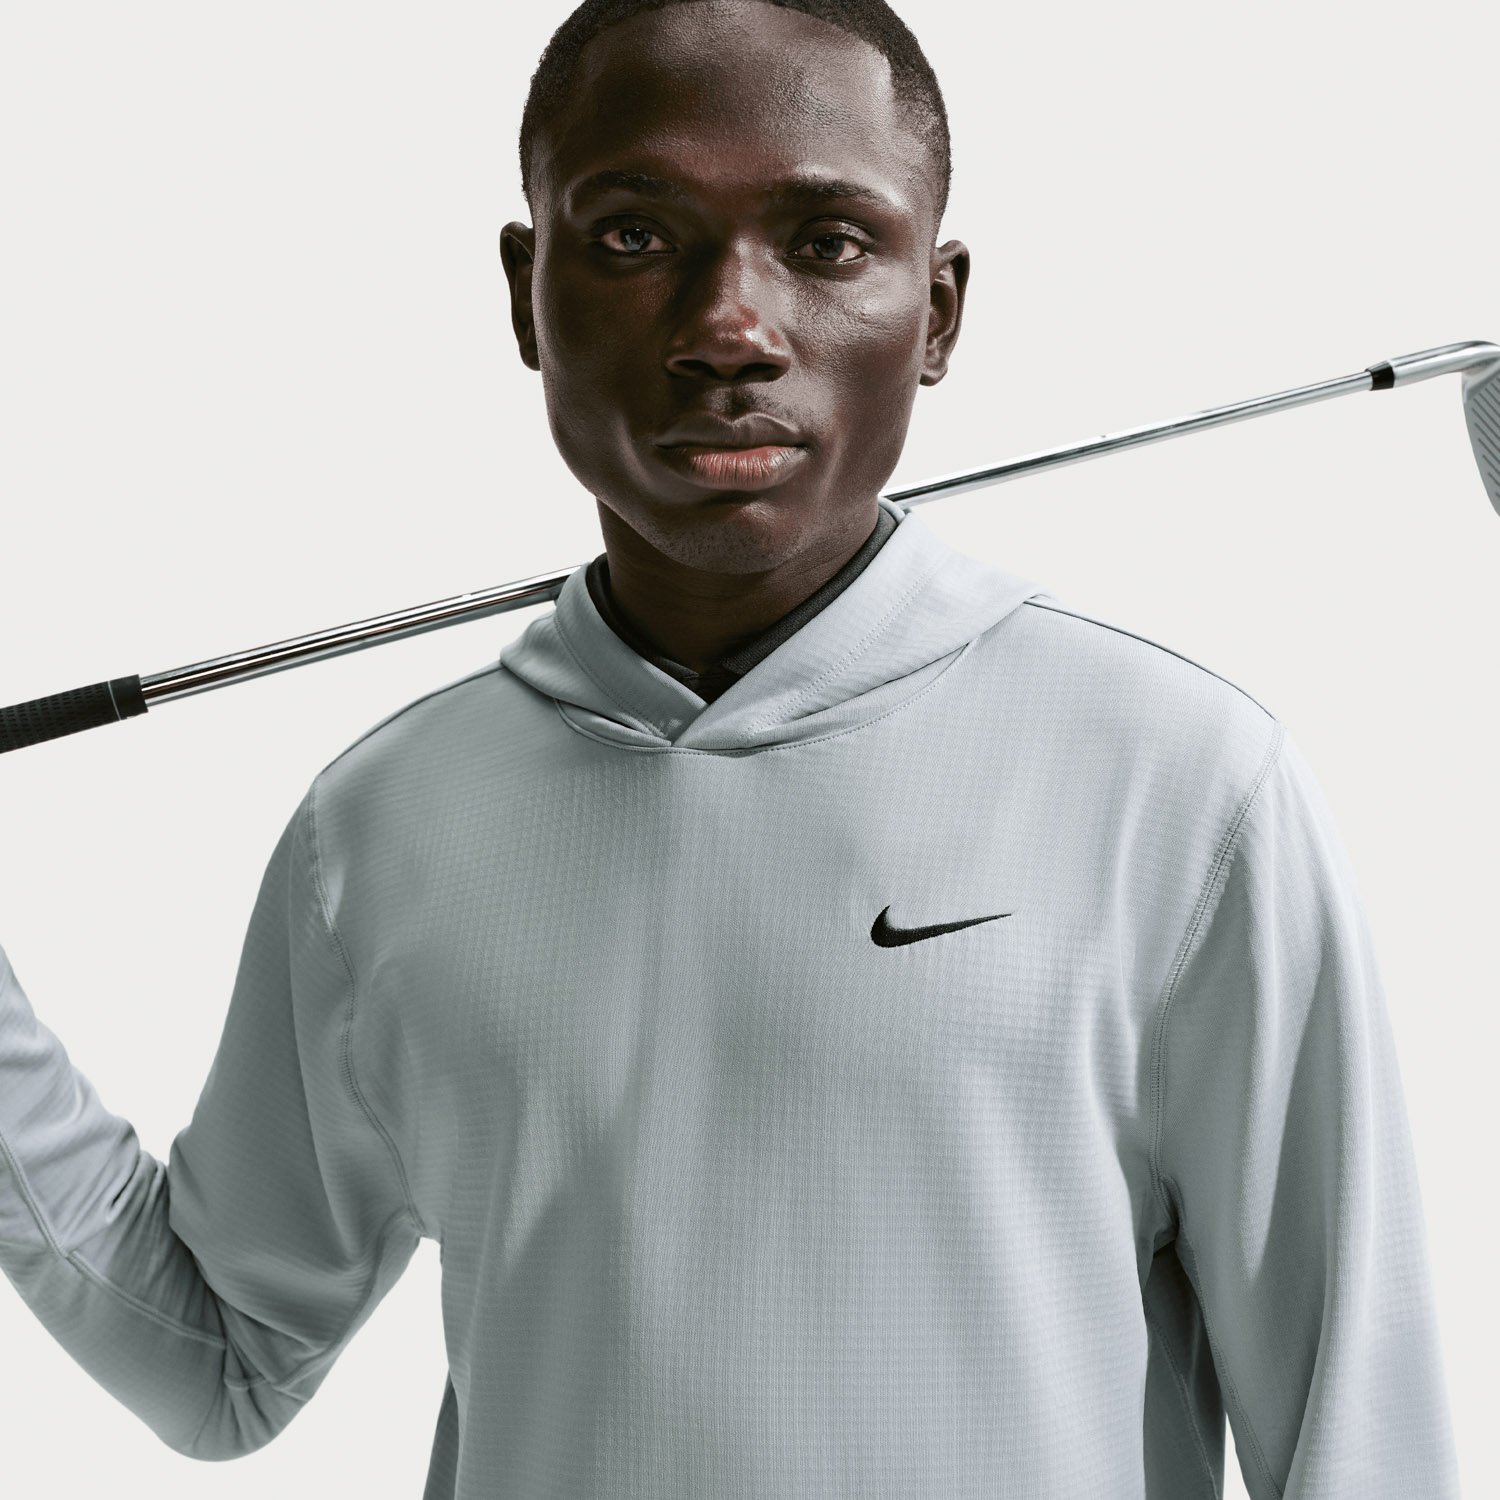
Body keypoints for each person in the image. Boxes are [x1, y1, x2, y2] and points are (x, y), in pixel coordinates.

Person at [0, 1, 1463, 1495]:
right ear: (527, 293)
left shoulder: (1178, 787)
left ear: (937, 311)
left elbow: (1362, 1439)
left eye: (826, 244)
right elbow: (217, 1359)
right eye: (636, 237)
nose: (728, 329)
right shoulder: (382, 826)